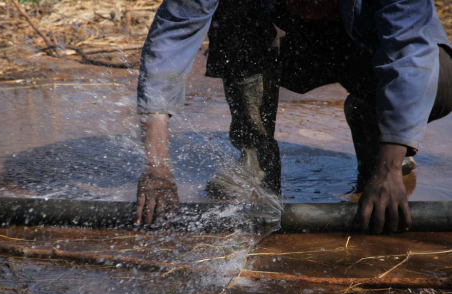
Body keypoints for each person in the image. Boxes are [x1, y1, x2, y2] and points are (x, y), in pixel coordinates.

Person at [134, 0, 452, 234]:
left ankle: (380, 134)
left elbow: (410, 53)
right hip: (290, 43)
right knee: (232, 11)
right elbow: (171, 39)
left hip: (368, 46)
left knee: (437, 80)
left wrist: (389, 167)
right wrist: (157, 166)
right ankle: (256, 160)